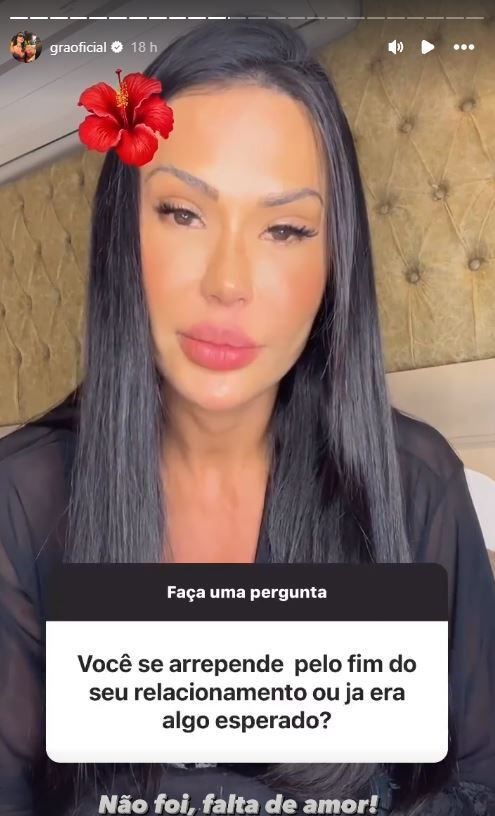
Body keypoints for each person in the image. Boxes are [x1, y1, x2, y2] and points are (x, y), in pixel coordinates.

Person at [0, 17, 494, 816]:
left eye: (285, 229)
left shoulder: (413, 485)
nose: (228, 282)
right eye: (182, 213)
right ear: (121, 234)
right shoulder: (20, 503)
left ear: (333, 263)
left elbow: (475, 781)